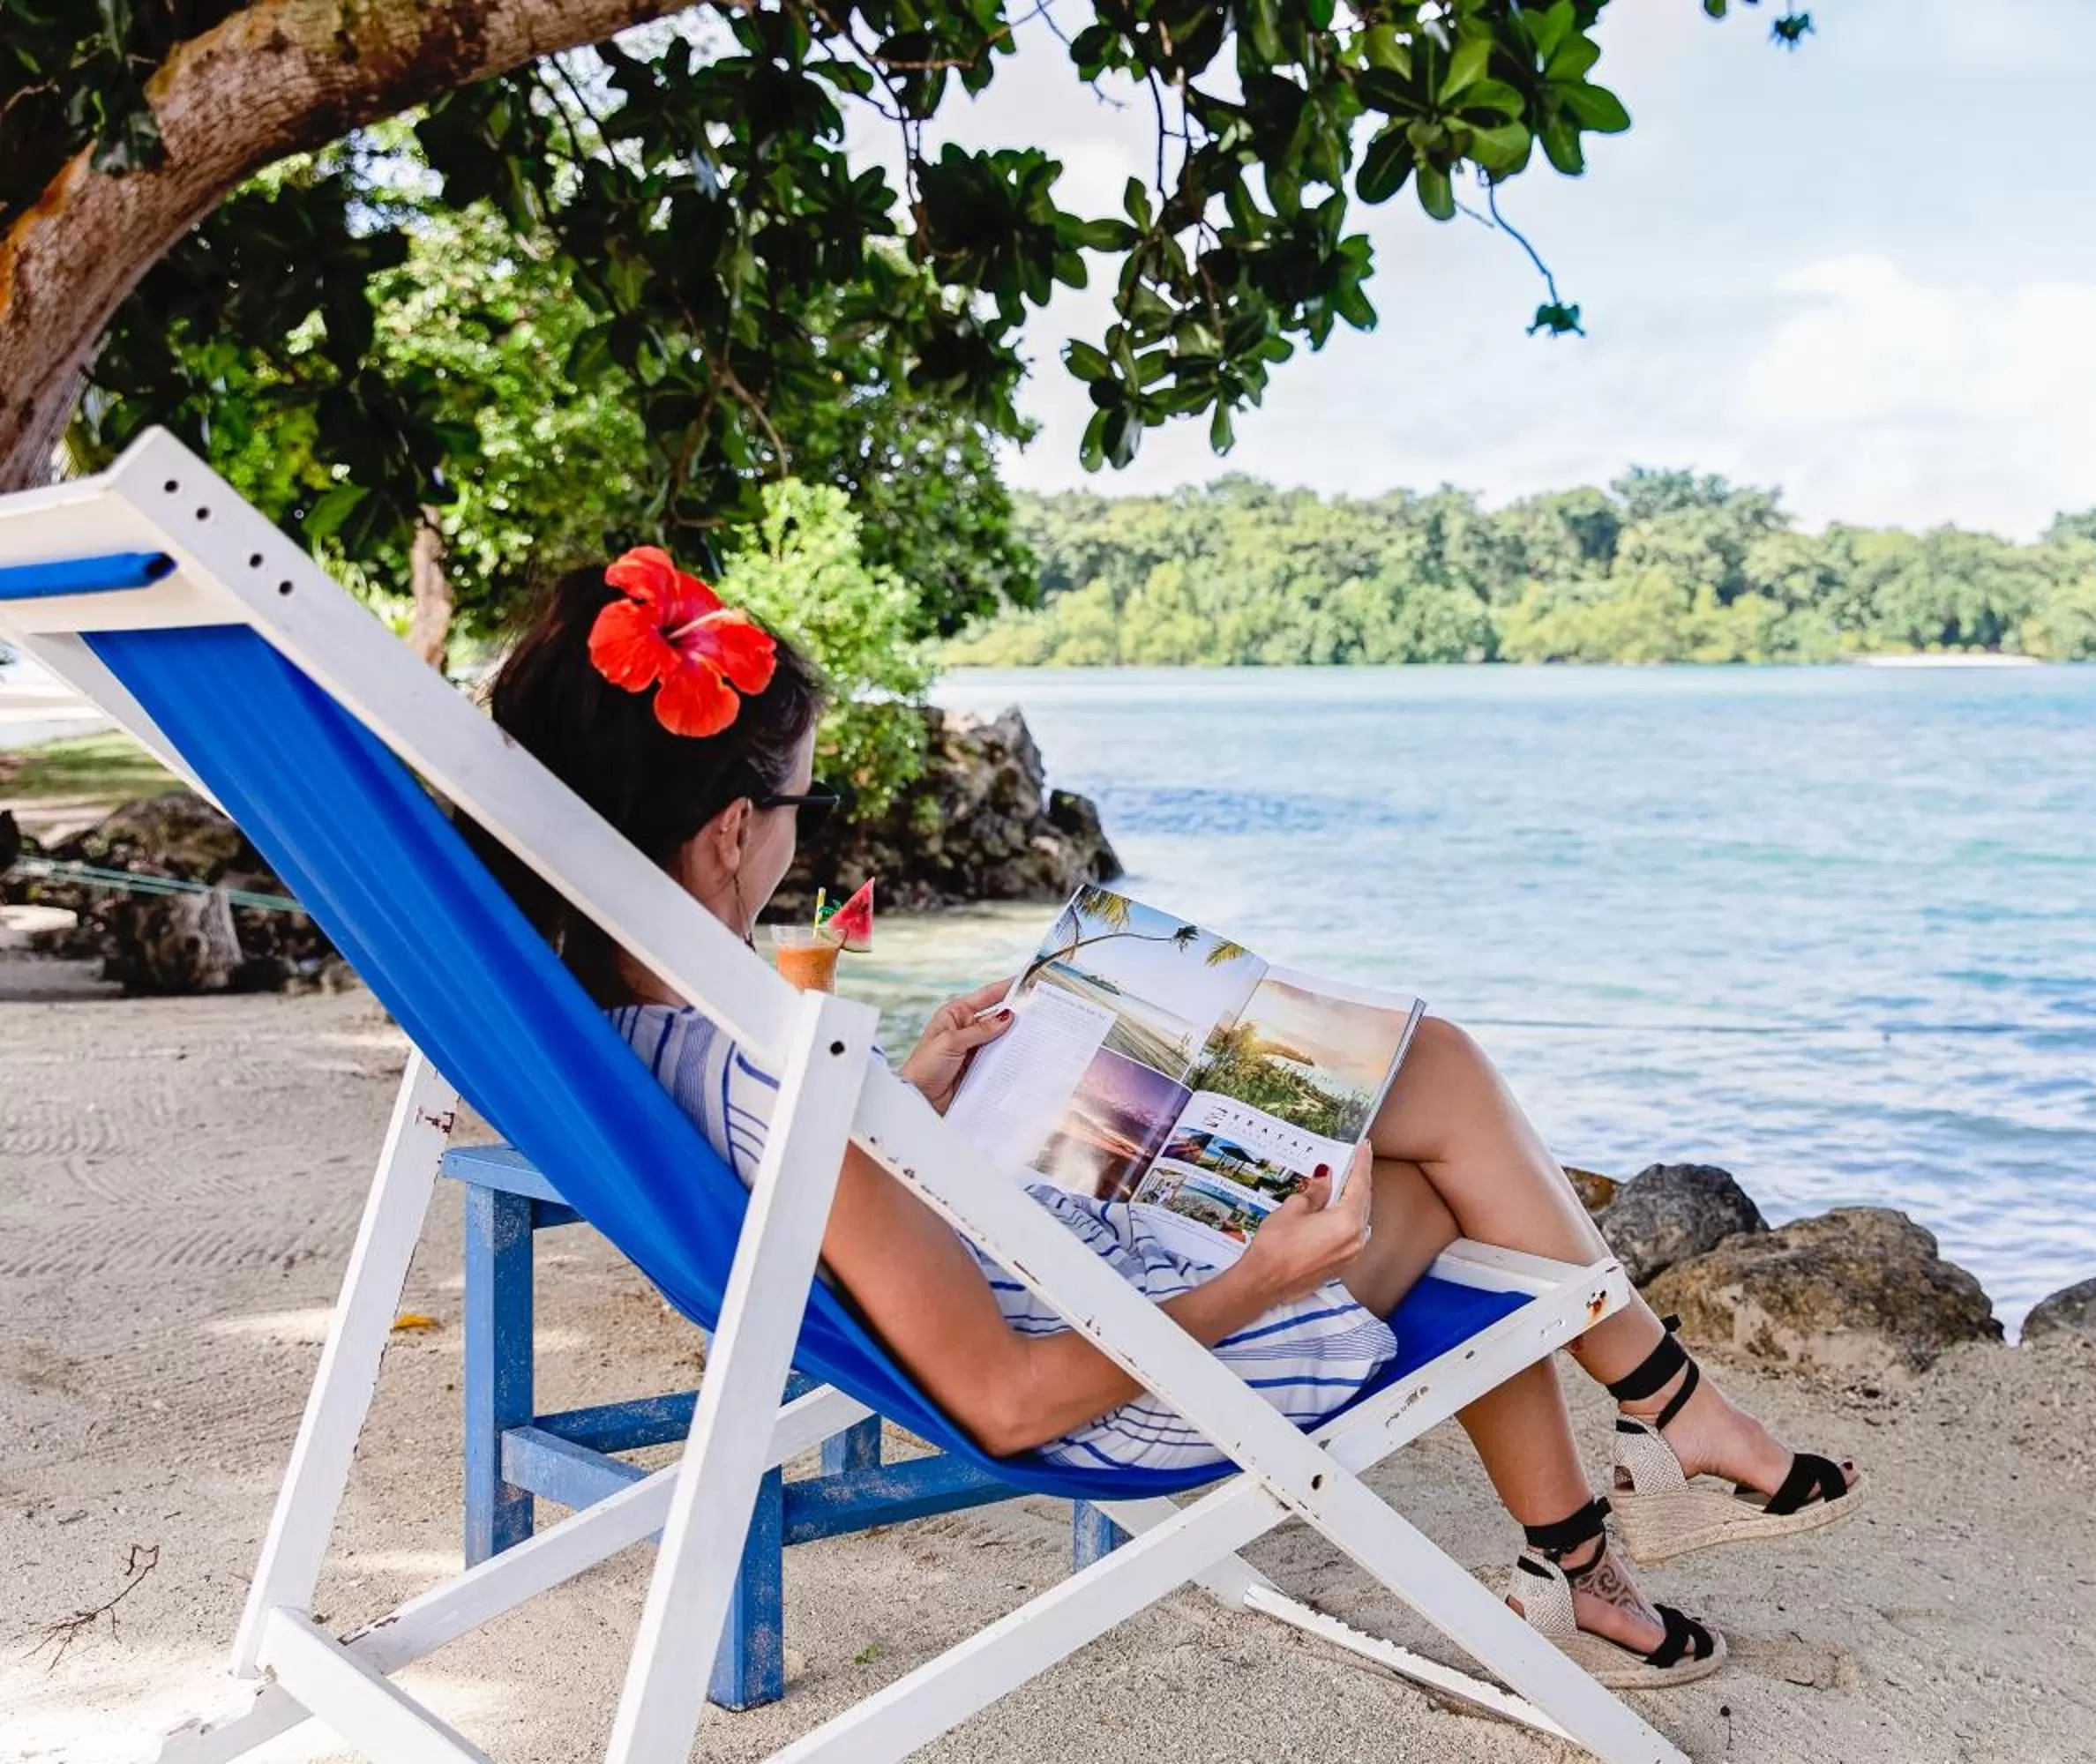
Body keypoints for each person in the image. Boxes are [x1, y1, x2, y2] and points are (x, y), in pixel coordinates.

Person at [480, 554, 1862, 1689]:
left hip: (1055, 1271)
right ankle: (1655, 1453)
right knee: (1434, 1121)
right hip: (1119, 1380)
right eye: (797, 803)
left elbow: (835, 1208)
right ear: (729, 833)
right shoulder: (785, 1077)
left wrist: (916, 1097)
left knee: (1424, 1135)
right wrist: (1260, 1275)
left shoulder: (623, 1029)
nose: (799, 833)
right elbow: (1007, 1403)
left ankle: (1601, 1541)